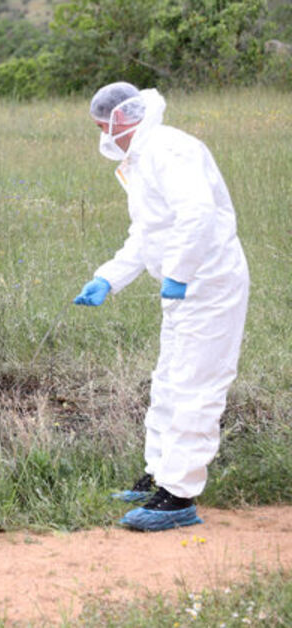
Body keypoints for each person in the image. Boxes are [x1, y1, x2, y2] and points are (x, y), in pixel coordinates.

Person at [72, 82, 249, 531]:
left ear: (123, 120)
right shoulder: (142, 157)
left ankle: (179, 495)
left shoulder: (170, 149)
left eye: (103, 128)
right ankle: (158, 473)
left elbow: (198, 215)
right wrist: (107, 278)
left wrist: (181, 272)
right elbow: (147, 234)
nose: (104, 139)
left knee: (195, 385)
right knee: (169, 380)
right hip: (184, 290)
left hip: (209, 284)